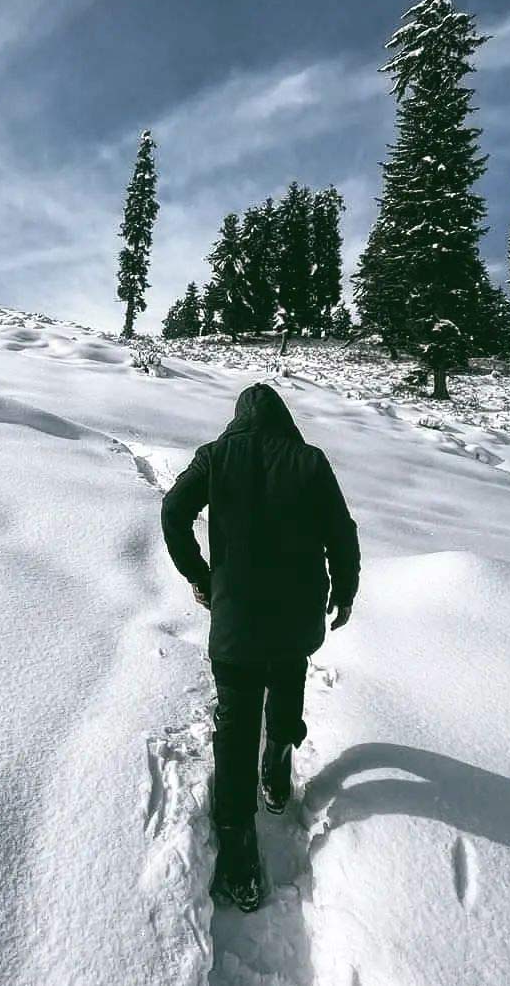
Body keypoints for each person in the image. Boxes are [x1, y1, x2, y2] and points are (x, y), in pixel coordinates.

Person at [160, 382, 360, 912]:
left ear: (239, 418)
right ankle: (277, 760)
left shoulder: (215, 456)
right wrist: (345, 589)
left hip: (237, 616)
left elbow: (173, 511)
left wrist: (199, 575)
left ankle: (239, 848)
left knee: (237, 721)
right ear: (283, 417)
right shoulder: (309, 460)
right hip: (295, 614)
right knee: (289, 675)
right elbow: (341, 531)